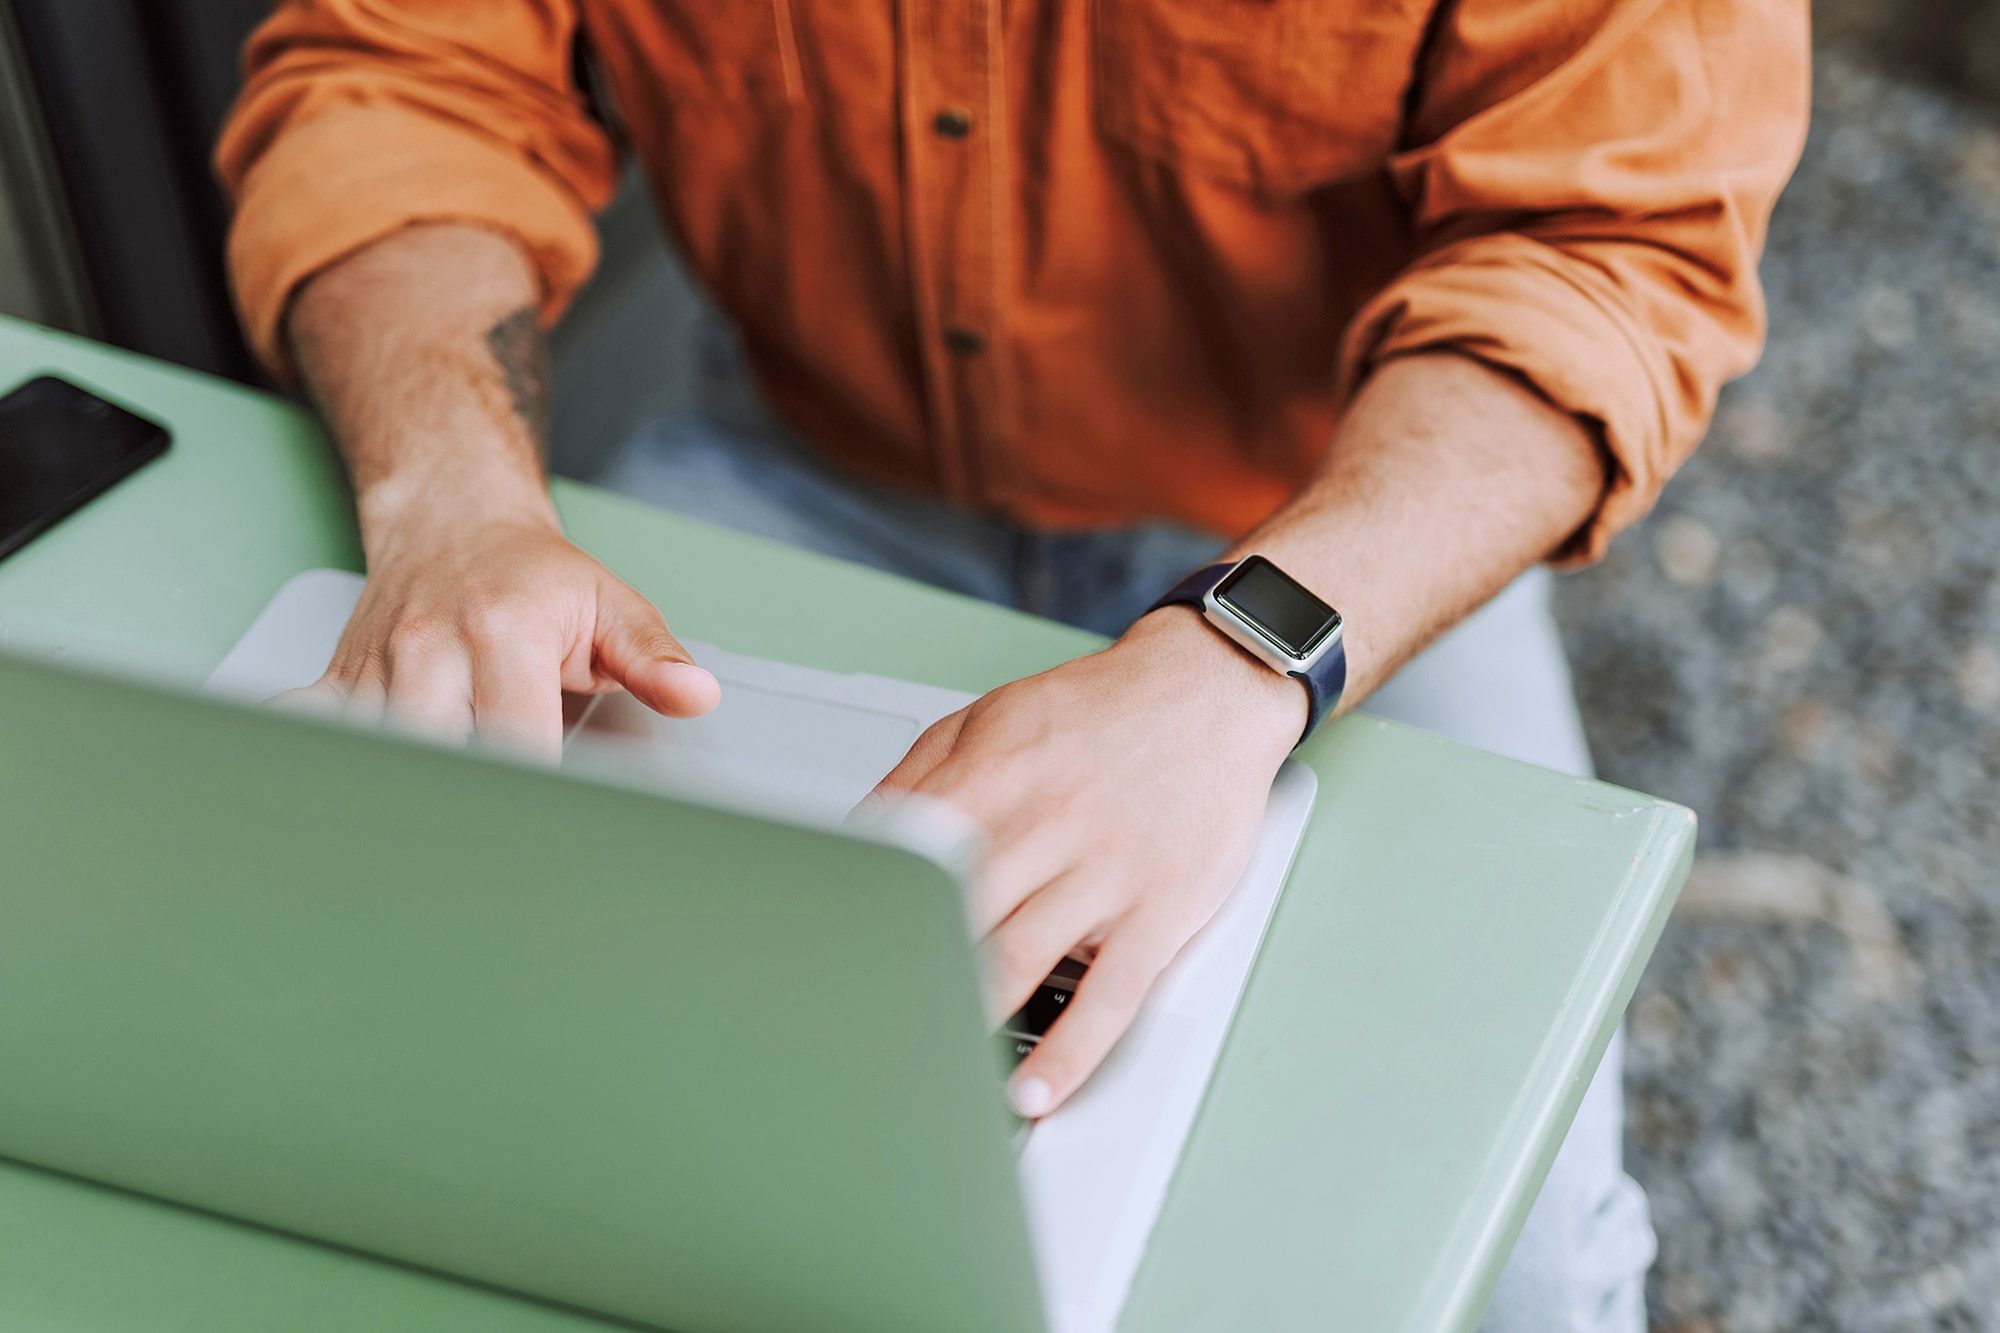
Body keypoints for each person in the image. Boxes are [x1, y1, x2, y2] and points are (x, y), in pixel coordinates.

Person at [214, 3, 1808, 1328]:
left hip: (1341, 519)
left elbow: (1606, 246)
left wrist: (1237, 660)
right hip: (801, 455)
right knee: (540, 1102)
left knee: (1520, 1265)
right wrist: (456, 506)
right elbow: (401, 74)